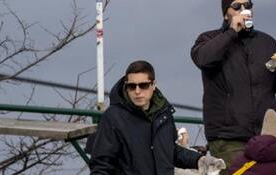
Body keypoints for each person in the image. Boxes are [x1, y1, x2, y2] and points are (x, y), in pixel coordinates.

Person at [192, 0, 276, 172]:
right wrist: (232, 32)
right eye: (236, 6)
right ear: (225, 14)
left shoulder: (266, 42)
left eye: (247, 5)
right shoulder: (209, 39)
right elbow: (203, 59)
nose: (243, 9)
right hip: (228, 136)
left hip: (265, 135)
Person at [89, 59, 221, 175]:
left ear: (153, 85)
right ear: (126, 87)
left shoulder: (163, 114)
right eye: (131, 86)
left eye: (143, 85)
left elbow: (170, 151)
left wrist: (199, 160)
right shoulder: (113, 117)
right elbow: (101, 165)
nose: (137, 91)